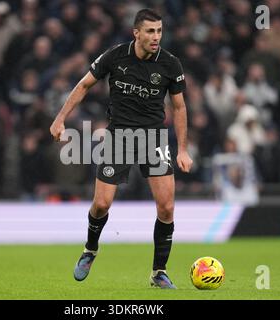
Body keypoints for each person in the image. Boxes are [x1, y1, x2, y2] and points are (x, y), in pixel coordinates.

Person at [50, 9, 193, 289]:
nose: (156, 37)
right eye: (150, 31)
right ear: (136, 33)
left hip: (154, 139)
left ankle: (158, 272)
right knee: (101, 204)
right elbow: (83, 86)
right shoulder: (115, 56)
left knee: (166, 207)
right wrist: (60, 118)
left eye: (160, 31)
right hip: (119, 137)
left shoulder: (170, 64)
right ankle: (90, 250)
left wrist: (183, 149)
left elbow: (179, 106)